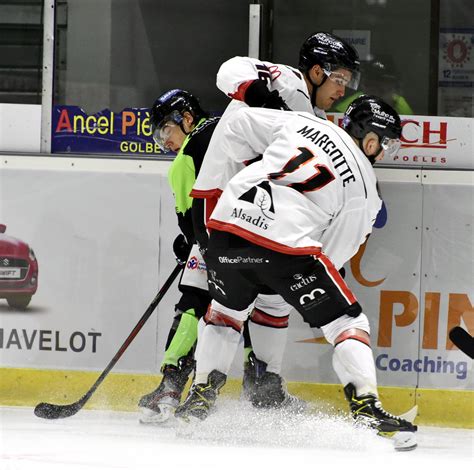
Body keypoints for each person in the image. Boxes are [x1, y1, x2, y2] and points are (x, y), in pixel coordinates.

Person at [176, 95, 418, 450]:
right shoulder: (366, 186)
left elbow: (235, 126)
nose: (384, 153)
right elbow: (336, 251)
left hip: (225, 231)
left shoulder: (306, 123)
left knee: (225, 313)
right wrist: (301, 279)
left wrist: (250, 169)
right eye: (386, 144)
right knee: (348, 323)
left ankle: (199, 400)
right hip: (287, 250)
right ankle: (367, 407)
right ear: (370, 139)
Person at [190, 32, 361, 409]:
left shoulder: (312, 118)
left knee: (271, 300)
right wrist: (260, 97)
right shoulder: (286, 80)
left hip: (253, 212)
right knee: (226, 304)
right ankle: (197, 388)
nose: (342, 90)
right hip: (224, 204)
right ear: (317, 71)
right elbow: (229, 69)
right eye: (340, 79)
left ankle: (262, 387)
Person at [138, 89, 219, 424]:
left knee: (192, 304)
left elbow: (191, 221)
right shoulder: (225, 130)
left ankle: (170, 386)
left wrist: (189, 243)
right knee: (239, 316)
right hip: (257, 241)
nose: (164, 141)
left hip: (215, 244)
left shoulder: (186, 156)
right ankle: (259, 387)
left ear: (186, 118)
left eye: (165, 130)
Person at [331, 55, 413, 115]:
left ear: (393, 84)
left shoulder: (399, 103)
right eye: (372, 80)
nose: (376, 84)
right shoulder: (352, 104)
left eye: (383, 80)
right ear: (364, 83)